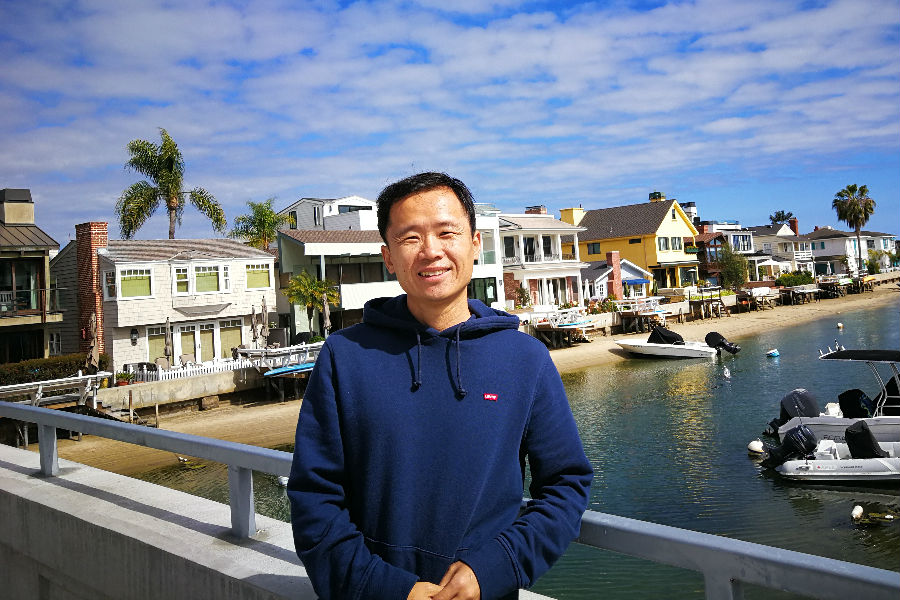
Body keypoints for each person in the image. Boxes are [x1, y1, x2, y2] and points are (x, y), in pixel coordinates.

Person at [287, 172, 592, 600]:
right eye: (410, 237)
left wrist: (496, 567)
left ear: (475, 243)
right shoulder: (345, 356)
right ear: (388, 256)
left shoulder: (526, 359)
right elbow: (314, 497)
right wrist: (385, 587)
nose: (431, 251)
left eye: (447, 233)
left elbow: (565, 485)